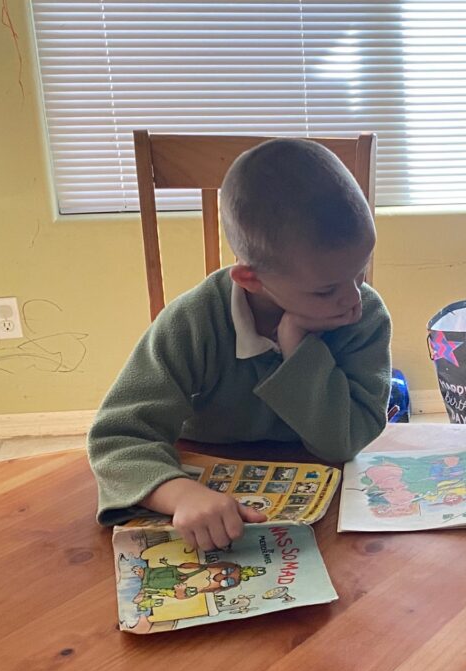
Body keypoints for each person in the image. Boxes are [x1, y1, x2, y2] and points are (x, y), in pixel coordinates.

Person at [89, 138, 391, 549]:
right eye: (326, 291)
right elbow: (117, 440)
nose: (354, 299)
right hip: (212, 504)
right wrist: (181, 494)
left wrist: (298, 348)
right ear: (250, 279)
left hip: (332, 511)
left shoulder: (364, 317)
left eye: (361, 273)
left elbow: (347, 440)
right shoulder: (191, 324)